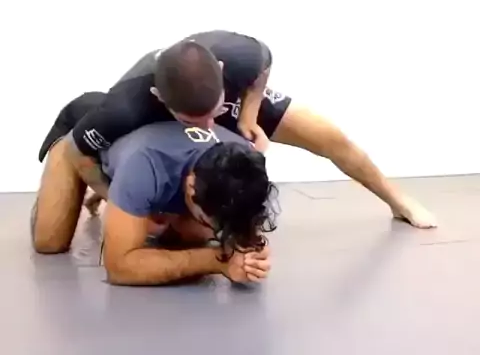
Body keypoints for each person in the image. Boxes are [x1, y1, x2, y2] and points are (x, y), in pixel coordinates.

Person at [50, 30, 436, 229]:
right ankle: (101, 199)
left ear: (221, 71)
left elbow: (263, 61)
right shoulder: (126, 104)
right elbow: (78, 154)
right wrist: (112, 194)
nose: (209, 128)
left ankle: (398, 201)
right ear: (159, 97)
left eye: (212, 114)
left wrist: (248, 115)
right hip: (161, 113)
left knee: (330, 137)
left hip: (235, 99)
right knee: (132, 162)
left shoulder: (236, 55)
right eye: (194, 121)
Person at [32, 93, 277, 285]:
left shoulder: (243, 163)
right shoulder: (146, 163)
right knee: (50, 243)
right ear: (190, 186)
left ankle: (124, 195)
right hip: (81, 134)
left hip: (146, 149)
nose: (217, 232)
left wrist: (251, 253)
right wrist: (217, 261)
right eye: (207, 220)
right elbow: (120, 266)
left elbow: (243, 226)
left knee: (190, 234)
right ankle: (81, 180)